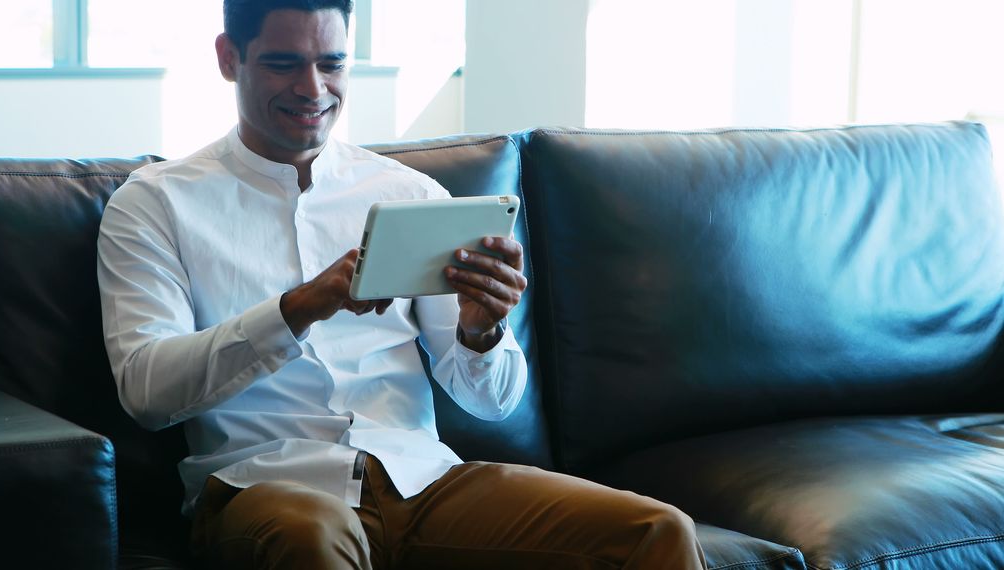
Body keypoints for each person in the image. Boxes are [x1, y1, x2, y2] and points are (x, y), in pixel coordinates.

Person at [97, 1, 707, 568]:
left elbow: (491, 402)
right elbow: (148, 392)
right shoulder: (154, 204)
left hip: (422, 480)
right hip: (264, 486)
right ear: (229, 58)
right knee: (309, 531)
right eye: (284, 64)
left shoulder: (407, 195)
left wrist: (480, 329)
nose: (314, 89)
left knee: (659, 532)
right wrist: (299, 308)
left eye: (331, 64)